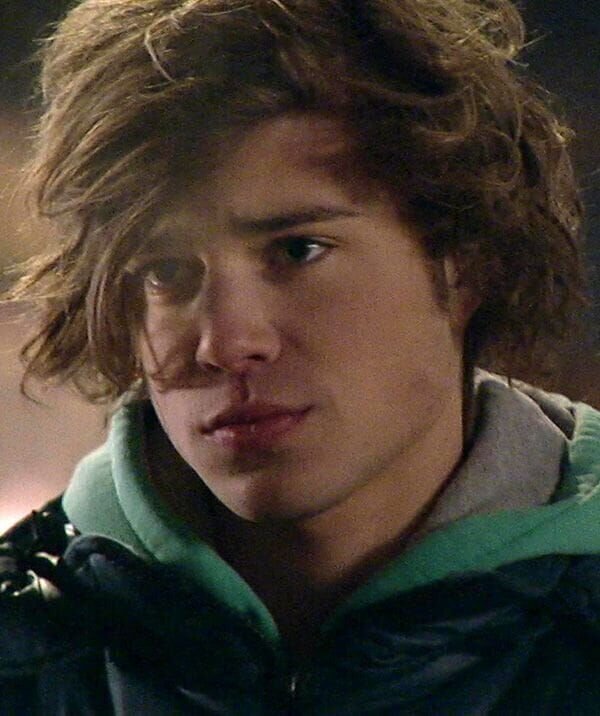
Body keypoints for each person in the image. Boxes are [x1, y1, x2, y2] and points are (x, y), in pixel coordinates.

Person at [1, 0, 599, 712]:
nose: (226, 343)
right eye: (165, 272)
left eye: (298, 250)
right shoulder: (26, 644)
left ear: (464, 264)